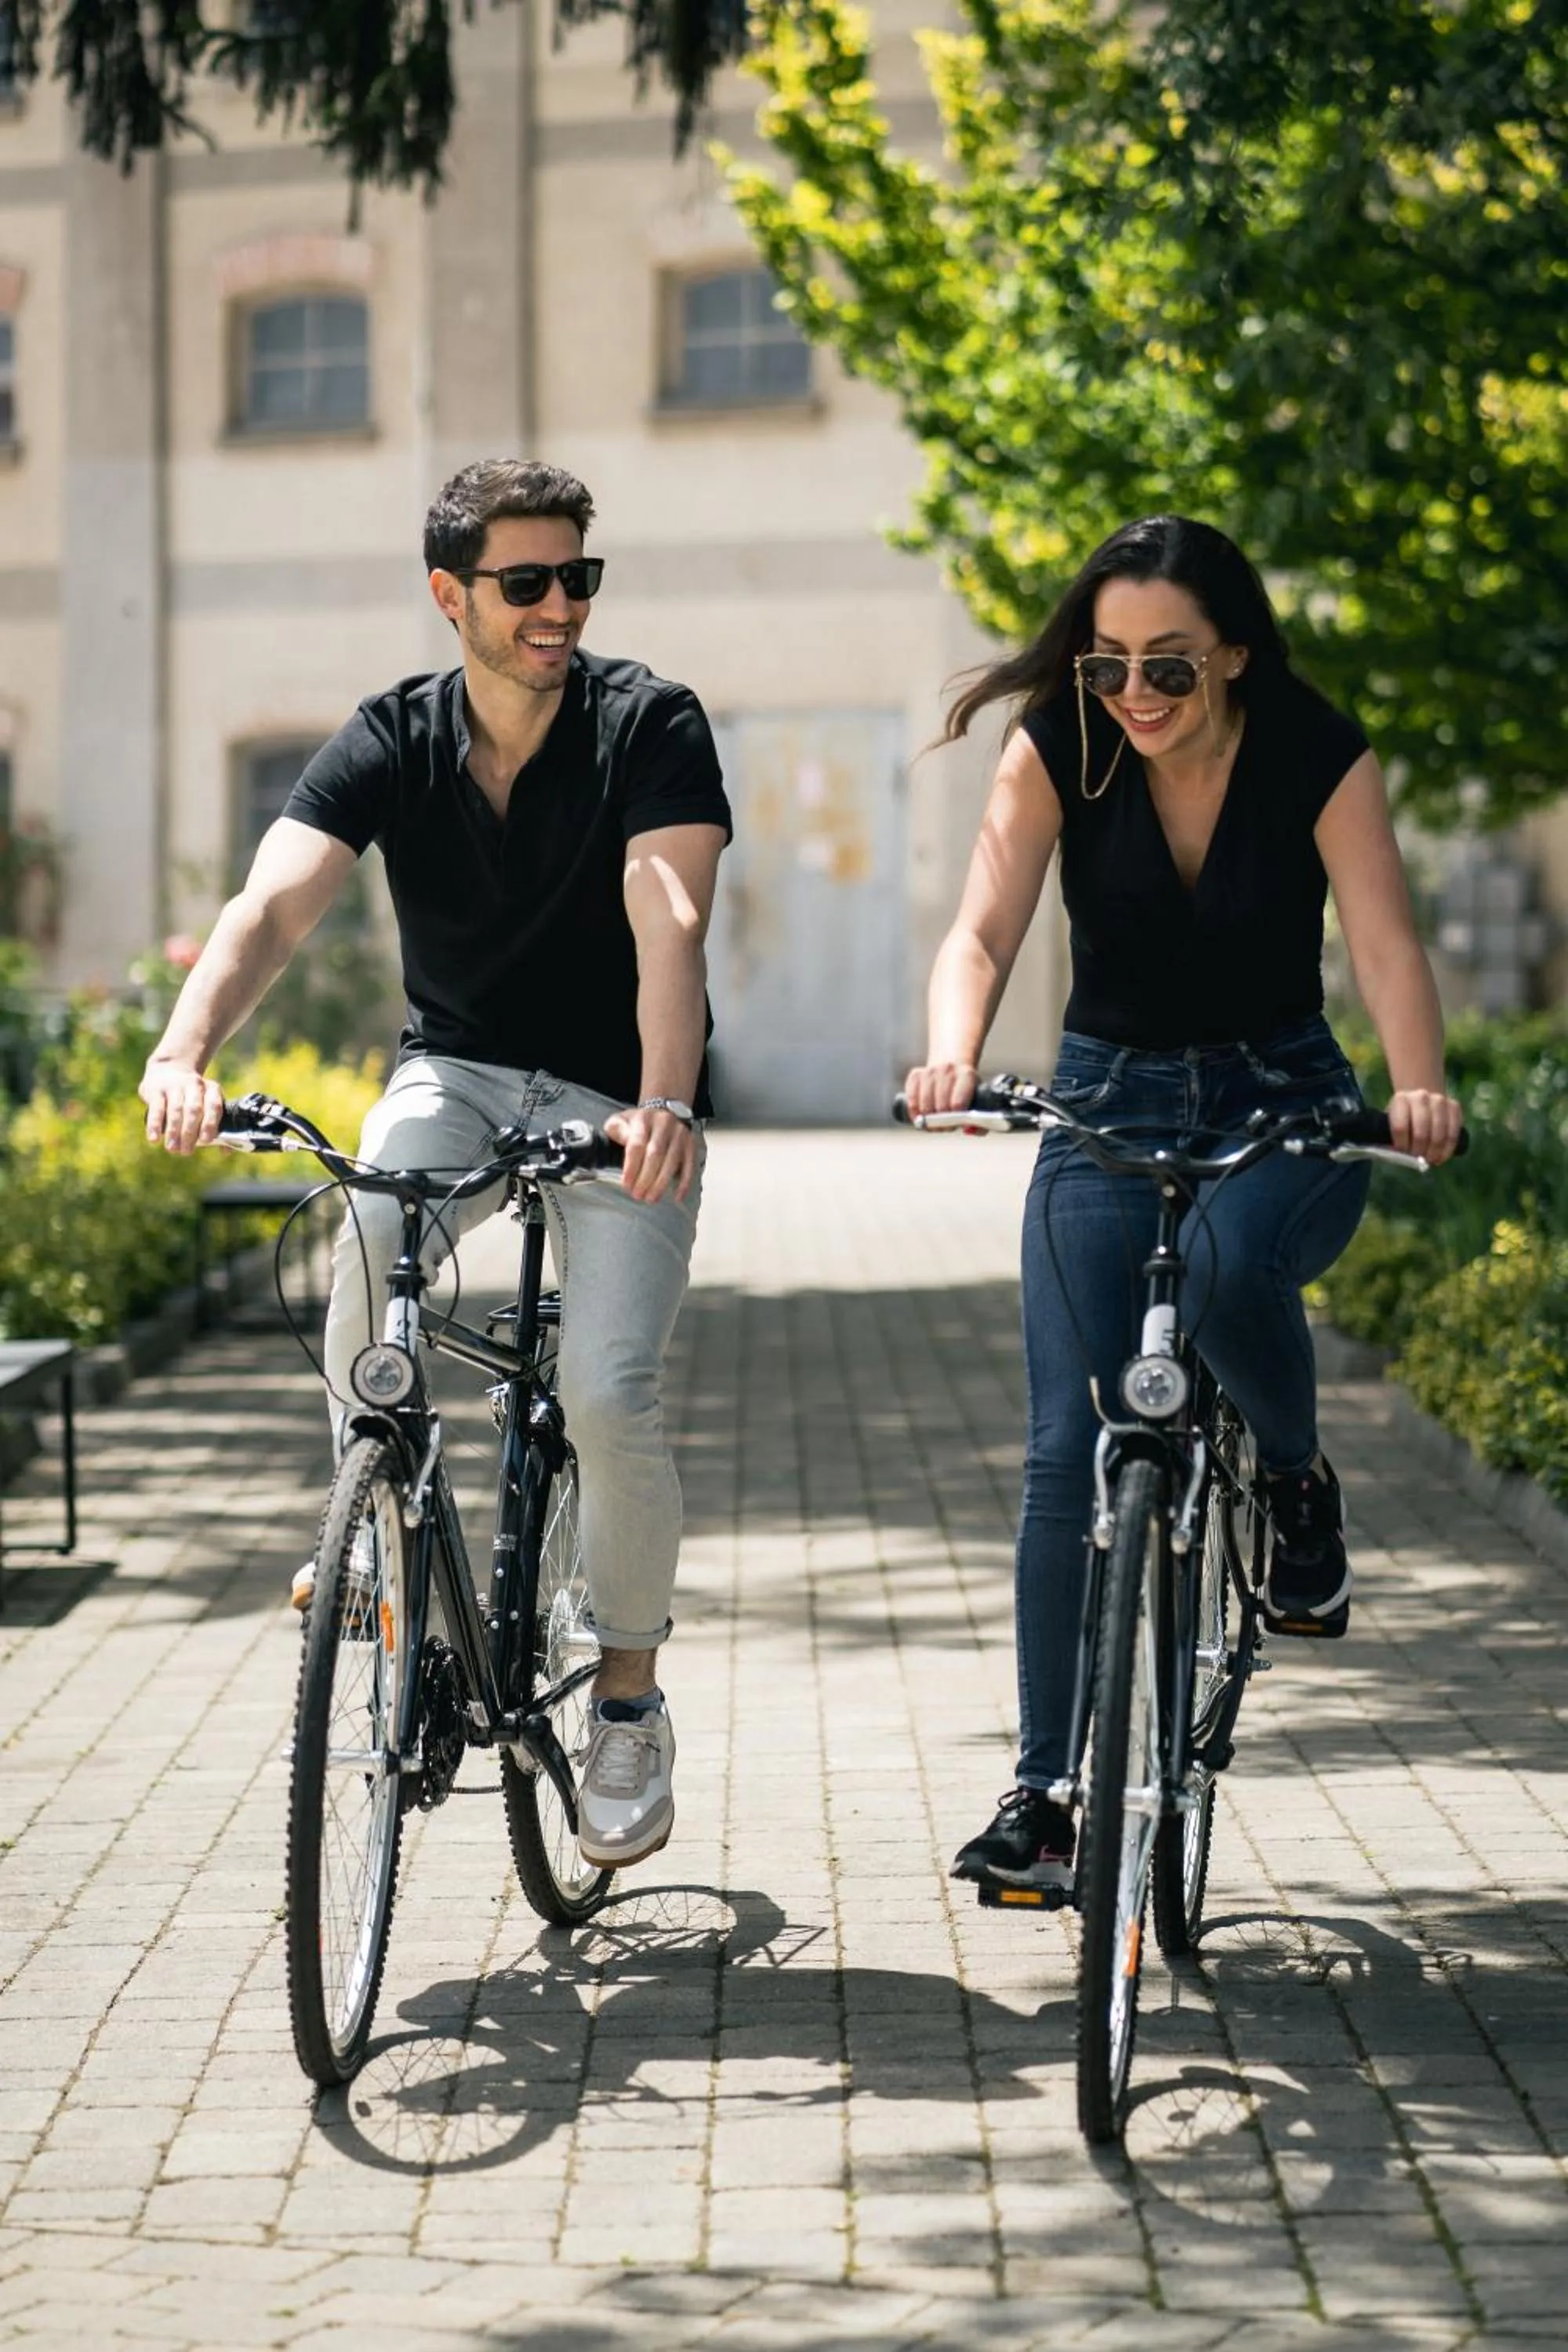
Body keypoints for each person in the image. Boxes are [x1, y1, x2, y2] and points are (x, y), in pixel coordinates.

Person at [139, 457, 731, 1874]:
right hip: (454, 1071)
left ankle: (630, 1702)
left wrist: (660, 1101)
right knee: (364, 1222)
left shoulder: (650, 720)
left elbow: (669, 918)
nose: (557, 609)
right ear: (449, 595)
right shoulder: (393, 737)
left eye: (577, 579)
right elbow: (271, 904)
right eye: (525, 583)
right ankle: (383, 1533)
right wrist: (182, 1053)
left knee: (604, 1386)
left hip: (615, 1094)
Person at [902, 515, 1463, 1898]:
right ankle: (1045, 1790)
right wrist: (955, 1051)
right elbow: (981, 926)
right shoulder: (1060, 742)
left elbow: (1385, 940)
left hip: (1288, 1104)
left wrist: (1420, 1087)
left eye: (1170, 670)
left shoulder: (1316, 750)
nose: (1135, 698)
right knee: (1062, 1453)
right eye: (1108, 669)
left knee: (1221, 1271)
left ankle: (1289, 1480)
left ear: (1236, 657)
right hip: (1107, 1102)